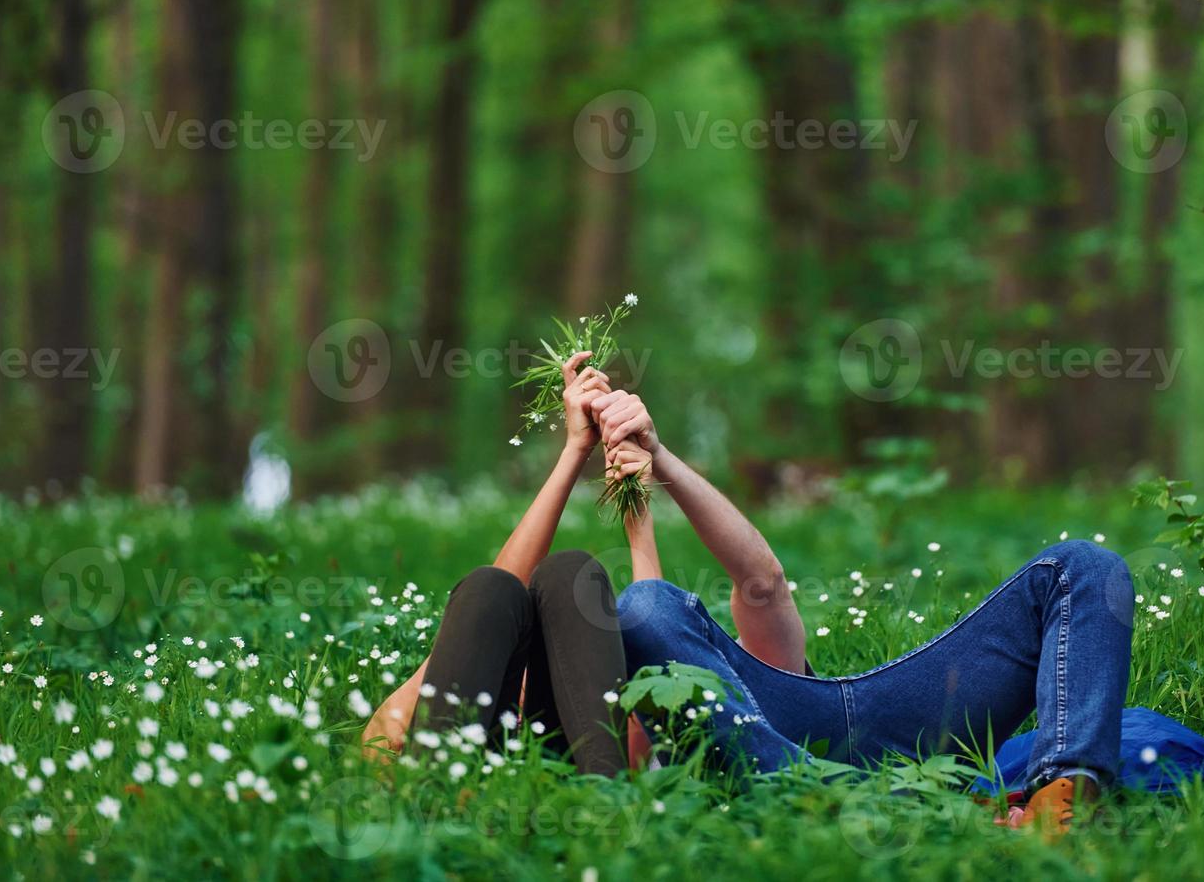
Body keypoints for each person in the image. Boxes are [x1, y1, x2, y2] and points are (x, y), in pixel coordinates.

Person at [589, 390, 1135, 832]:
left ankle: (1063, 807)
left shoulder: (755, 678)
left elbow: (763, 580)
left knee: (1083, 566)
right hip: (781, 771)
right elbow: (651, 647)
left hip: (863, 720)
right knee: (643, 607)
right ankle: (846, 800)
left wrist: (658, 460)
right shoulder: (637, 747)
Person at [362, 351, 642, 776]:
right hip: (465, 774)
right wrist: (575, 450)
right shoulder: (484, 646)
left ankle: (605, 800)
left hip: (570, 767)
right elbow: (380, 743)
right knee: (490, 588)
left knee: (570, 573)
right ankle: (433, 795)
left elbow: (644, 744)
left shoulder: (581, 677)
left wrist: (637, 508)